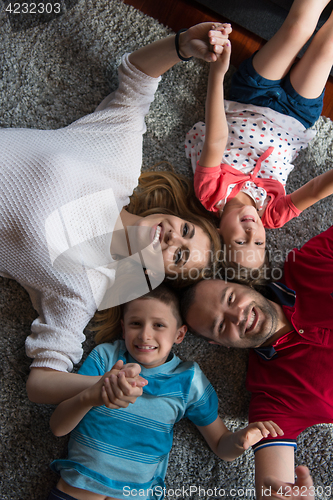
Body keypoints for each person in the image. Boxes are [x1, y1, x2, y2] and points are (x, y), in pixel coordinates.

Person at [0, 21, 230, 405]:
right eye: (186, 231)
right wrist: (181, 45)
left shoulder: (83, 288)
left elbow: (42, 381)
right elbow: (138, 78)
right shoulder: (119, 166)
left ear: (157, 275)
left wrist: (99, 387)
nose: (174, 237)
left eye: (180, 255)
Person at [47, 284, 283, 500]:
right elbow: (58, 427)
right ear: (123, 328)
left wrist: (240, 440)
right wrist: (92, 395)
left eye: (158, 325)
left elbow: (221, 444)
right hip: (79, 486)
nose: (145, 335)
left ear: (179, 334)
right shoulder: (106, 358)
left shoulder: (189, 380)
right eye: (135, 324)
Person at [180, 223, 333, 499]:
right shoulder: (271, 397)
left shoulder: (307, 263)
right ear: (220, 344)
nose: (236, 315)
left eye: (230, 298)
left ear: (239, 283)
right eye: (220, 326)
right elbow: (272, 485)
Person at [186, 0, 333, 278]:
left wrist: (217, 76)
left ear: (218, 235)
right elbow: (314, 190)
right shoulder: (272, 216)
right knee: (327, 51)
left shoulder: (210, 192)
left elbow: (216, 140)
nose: (252, 231)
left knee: (297, 29)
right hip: (297, 116)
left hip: (250, 96)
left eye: (241, 241)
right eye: (259, 242)